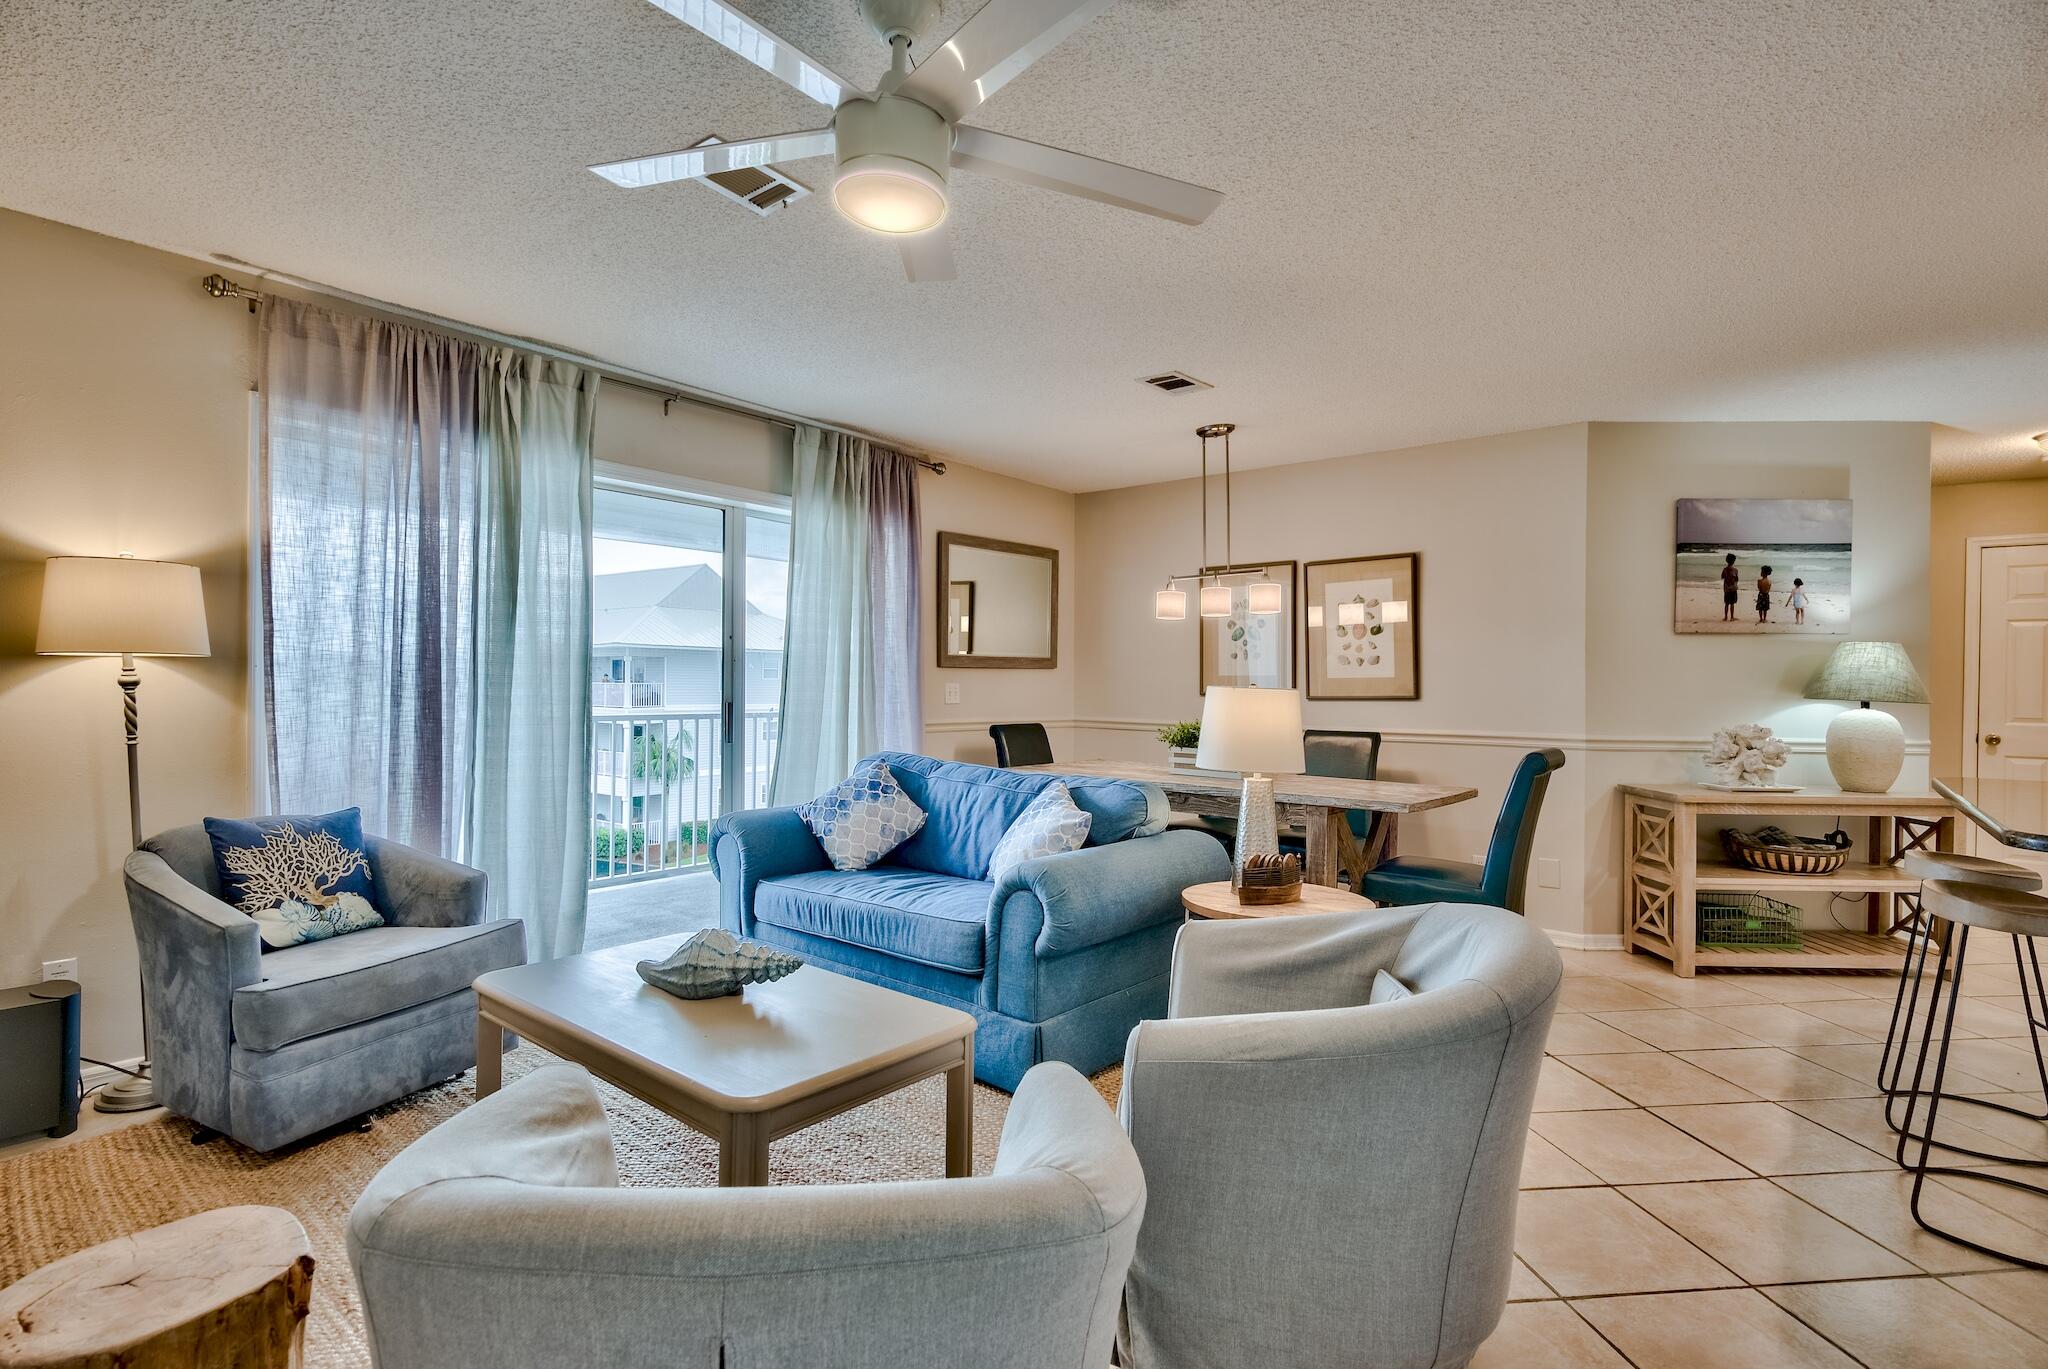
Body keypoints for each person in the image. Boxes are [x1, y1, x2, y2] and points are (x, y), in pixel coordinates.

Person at [1720, 553, 1740, 622]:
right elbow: (1737, 579)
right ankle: (1732, 617)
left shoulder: (1725, 570)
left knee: (1726, 604)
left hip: (1726, 589)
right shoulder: (1735, 570)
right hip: (1733, 588)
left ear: (1726, 560)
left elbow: (1722, 577)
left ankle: (1725, 617)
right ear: (1734, 561)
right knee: (1732, 604)